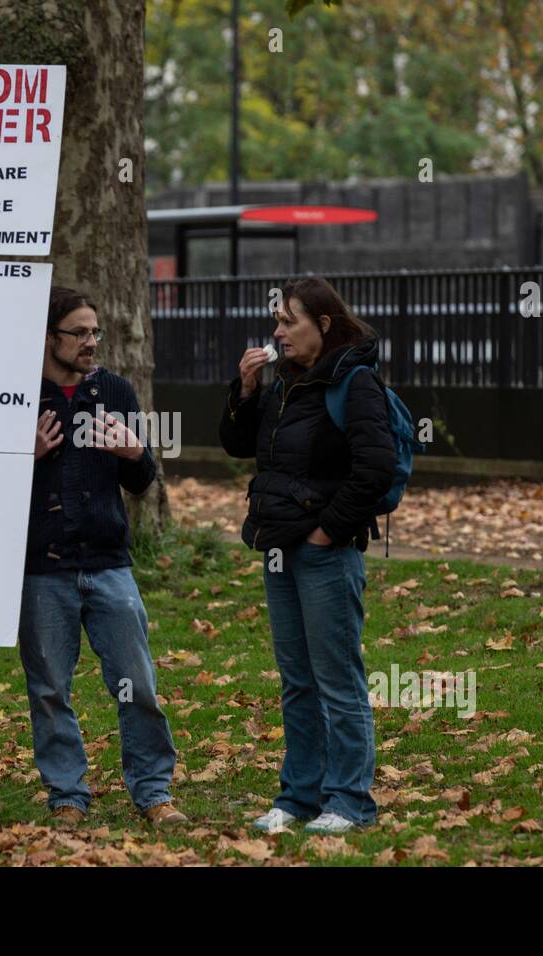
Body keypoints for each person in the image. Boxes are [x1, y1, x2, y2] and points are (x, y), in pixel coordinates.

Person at [219, 276, 396, 834]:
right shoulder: (283, 383)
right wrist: (243, 392)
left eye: (288, 320)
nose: (277, 331)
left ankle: (350, 801)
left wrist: (325, 533)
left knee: (337, 680)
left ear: (322, 324)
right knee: (297, 680)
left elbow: (376, 469)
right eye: (276, 320)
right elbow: (239, 446)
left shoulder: (354, 383)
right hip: (278, 549)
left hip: (324, 553)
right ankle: (298, 797)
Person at [19, 286, 185, 828]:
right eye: (80, 333)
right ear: (49, 338)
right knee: (49, 689)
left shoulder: (113, 390)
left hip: (110, 564)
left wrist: (134, 452)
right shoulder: (18, 393)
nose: (92, 342)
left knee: (136, 680)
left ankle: (154, 792)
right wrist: (27, 455)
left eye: (96, 332)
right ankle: (67, 795)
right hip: (43, 567)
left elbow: (142, 481)